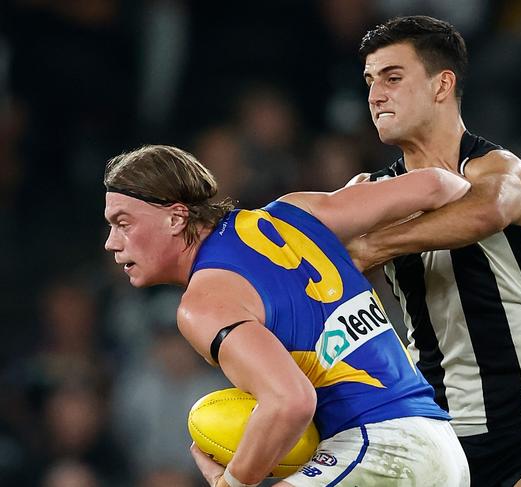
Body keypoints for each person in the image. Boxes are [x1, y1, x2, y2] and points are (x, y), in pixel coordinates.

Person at [103, 144, 471, 487]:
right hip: (441, 446)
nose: (111, 242)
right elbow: (437, 185)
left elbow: (290, 401)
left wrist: (232, 482)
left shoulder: (202, 303)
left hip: (382, 450)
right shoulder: (293, 212)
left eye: (123, 223)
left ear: (175, 218)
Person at [346, 16, 521, 487]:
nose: (375, 95)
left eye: (393, 78)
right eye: (371, 81)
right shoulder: (367, 193)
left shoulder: (501, 169)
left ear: (442, 85)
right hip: (432, 426)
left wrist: (372, 244)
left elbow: (483, 213)